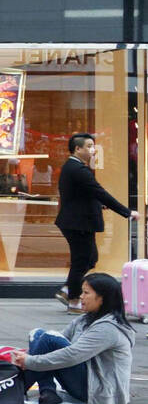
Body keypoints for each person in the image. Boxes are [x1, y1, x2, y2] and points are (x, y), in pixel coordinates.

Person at [14, 274, 133, 404]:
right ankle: (48, 392)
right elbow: (56, 342)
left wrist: (30, 361)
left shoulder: (108, 328)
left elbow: (72, 354)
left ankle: (18, 387)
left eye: (86, 293)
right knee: (39, 334)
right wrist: (30, 357)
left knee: (47, 339)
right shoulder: (84, 319)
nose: (81, 297)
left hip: (98, 389)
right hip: (84, 377)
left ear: (102, 298)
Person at [55, 133, 138, 313]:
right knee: (82, 260)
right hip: (78, 223)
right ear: (78, 149)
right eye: (89, 146)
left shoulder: (74, 168)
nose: (93, 150)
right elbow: (100, 192)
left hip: (79, 221)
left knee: (90, 258)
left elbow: (82, 195)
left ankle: (68, 289)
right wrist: (127, 212)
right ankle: (74, 300)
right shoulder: (78, 170)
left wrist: (98, 205)